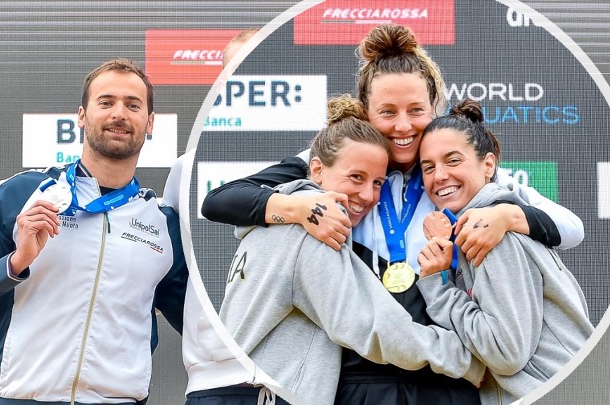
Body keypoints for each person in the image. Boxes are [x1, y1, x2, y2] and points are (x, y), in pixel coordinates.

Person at [201, 24, 584, 405]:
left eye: (416, 110)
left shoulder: (456, 174)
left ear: (435, 107)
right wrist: (295, 206)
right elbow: (221, 200)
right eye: (387, 112)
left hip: (449, 371)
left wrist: (510, 218)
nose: (403, 126)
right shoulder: (331, 161)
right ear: (366, 111)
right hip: (359, 373)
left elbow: (572, 228)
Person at [0, 58, 188, 405]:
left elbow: (199, 328)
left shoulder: (163, 222)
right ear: (82, 116)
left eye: (133, 105)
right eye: (106, 102)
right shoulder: (24, 194)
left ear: (150, 122)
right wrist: (14, 263)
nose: (119, 114)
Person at [218, 95, 486, 405]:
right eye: (355, 177)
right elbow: (374, 327)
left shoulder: (272, 222)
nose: (367, 195)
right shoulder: (310, 231)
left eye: (377, 183)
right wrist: (469, 362)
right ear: (316, 169)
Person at [416, 98, 594, 404]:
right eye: (428, 167)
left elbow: (505, 352)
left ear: (488, 165)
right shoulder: (483, 223)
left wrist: (439, 289)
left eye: (453, 160)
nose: (439, 176)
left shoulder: (492, 236)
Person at [163, 28, 288, 405]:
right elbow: (171, 273)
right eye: (230, 72)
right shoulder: (186, 170)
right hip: (213, 381)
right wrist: (208, 328)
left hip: (295, 377)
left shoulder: (312, 165)